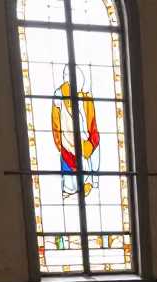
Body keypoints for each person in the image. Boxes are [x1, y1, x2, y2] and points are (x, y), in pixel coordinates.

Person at [51, 67, 100, 200]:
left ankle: (86, 183)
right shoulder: (60, 93)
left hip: (83, 135)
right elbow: (56, 117)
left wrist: (89, 136)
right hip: (67, 134)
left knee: (85, 158)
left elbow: (89, 116)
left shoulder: (85, 95)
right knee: (68, 159)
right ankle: (69, 188)